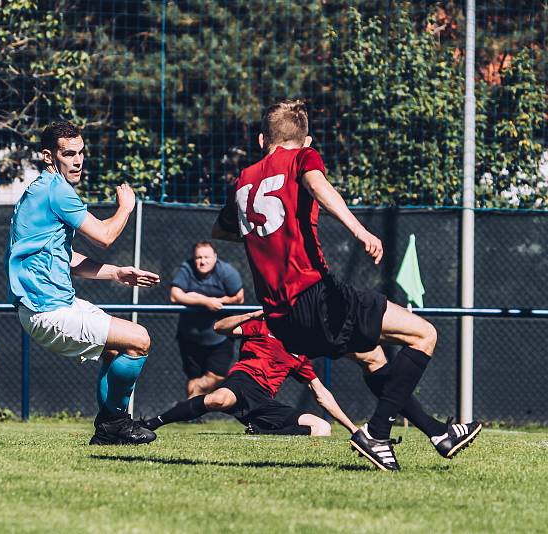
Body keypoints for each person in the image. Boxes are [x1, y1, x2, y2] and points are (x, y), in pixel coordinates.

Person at [213, 100, 481, 470]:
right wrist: (359, 230)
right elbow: (319, 186)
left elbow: (222, 230)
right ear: (306, 141)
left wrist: (262, 238)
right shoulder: (302, 159)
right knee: (424, 335)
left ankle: (438, 433)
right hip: (315, 296)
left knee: (373, 357)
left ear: (262, 140)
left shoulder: (242, 181)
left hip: (283, 321)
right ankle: (377, 432)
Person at [6, 120, 161, 445]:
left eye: (81, 153)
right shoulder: (57, 191)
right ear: (49, 157)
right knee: (139, 339)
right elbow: (105, 235)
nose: (77, 161)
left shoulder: (37, 191)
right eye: (69, 154)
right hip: (47, 310)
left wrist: (116, 272)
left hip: (50, 305)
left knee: (116, 349)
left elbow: (64, 257)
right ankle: (114, 423)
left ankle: (109, 428)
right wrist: (126, 208)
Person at [141, 310, 357, 436]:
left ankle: (262, 433)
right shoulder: (262, 326)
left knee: (322, 428)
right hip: (243, 380)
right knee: (219, 399)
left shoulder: (300, 354)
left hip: (263, 400)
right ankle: (151, 423)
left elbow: (322, 394)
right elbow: (219, 327)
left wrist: (353, 430)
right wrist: (254, 314)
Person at [170, 241, 244, 397]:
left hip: (220, 336)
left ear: (215, 257)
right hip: (190, 335)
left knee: (217, 376)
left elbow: (239, 297)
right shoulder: (187, 268)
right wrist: (205, 301)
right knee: (193, 377)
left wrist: (220, 301)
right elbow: (175, 295)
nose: (202, 261)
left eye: (207, 257)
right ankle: (189, 415)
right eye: (198, 257)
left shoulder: (226, 271)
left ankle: (189, 406)